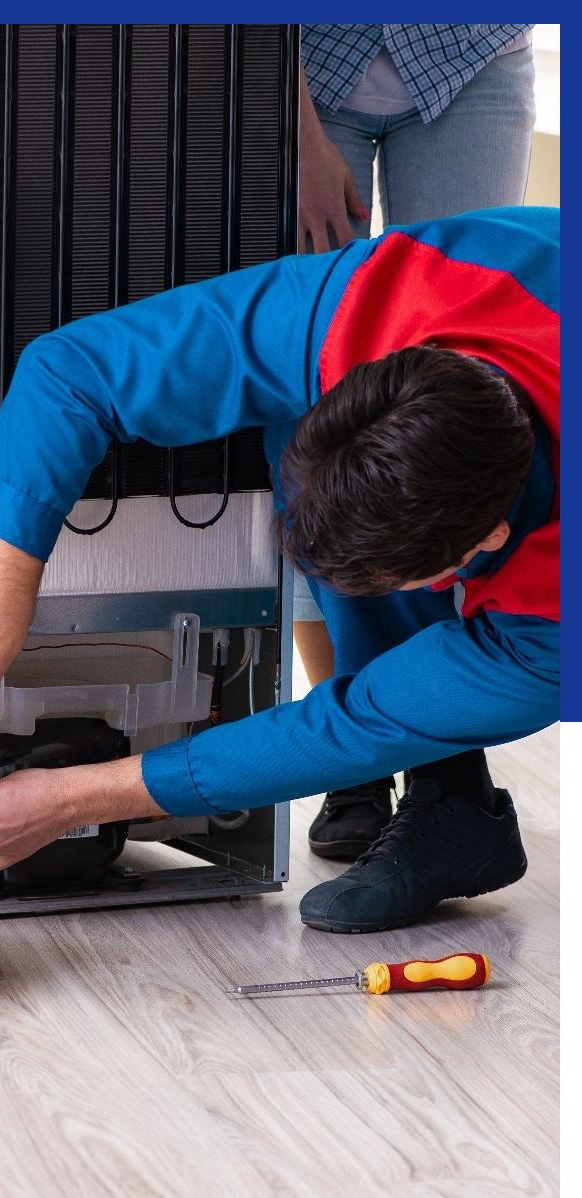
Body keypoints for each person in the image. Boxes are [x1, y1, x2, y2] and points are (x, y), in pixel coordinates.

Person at [0, 205, 559, 934]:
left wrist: (69, 801)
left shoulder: (553, 628)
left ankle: (453, 802)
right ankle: (448, 794)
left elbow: (350, 725)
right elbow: (73, 373)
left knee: (407, 687)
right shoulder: (383, 299)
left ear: (485, 542)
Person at [295, 23, 538, 860]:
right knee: (324, 413)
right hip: (304, 73)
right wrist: (286, 126)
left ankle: (442, 758)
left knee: (460, 412)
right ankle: (351, 752)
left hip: (471, 59)